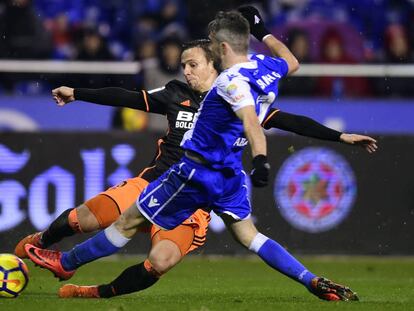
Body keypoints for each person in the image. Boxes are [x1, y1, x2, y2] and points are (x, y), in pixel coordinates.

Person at [24, 8, 375, 301]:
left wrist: (262, 158)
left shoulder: (229, 85)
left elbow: (254, 121)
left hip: (194, 174)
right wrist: (262, 29)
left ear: (218, 52)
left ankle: (68, 263)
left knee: (130, 226)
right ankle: (310, 280)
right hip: (227, 179)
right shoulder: (261, 71)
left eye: (196, 60)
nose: (187, 70)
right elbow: (291, 63)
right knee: (250, 236)